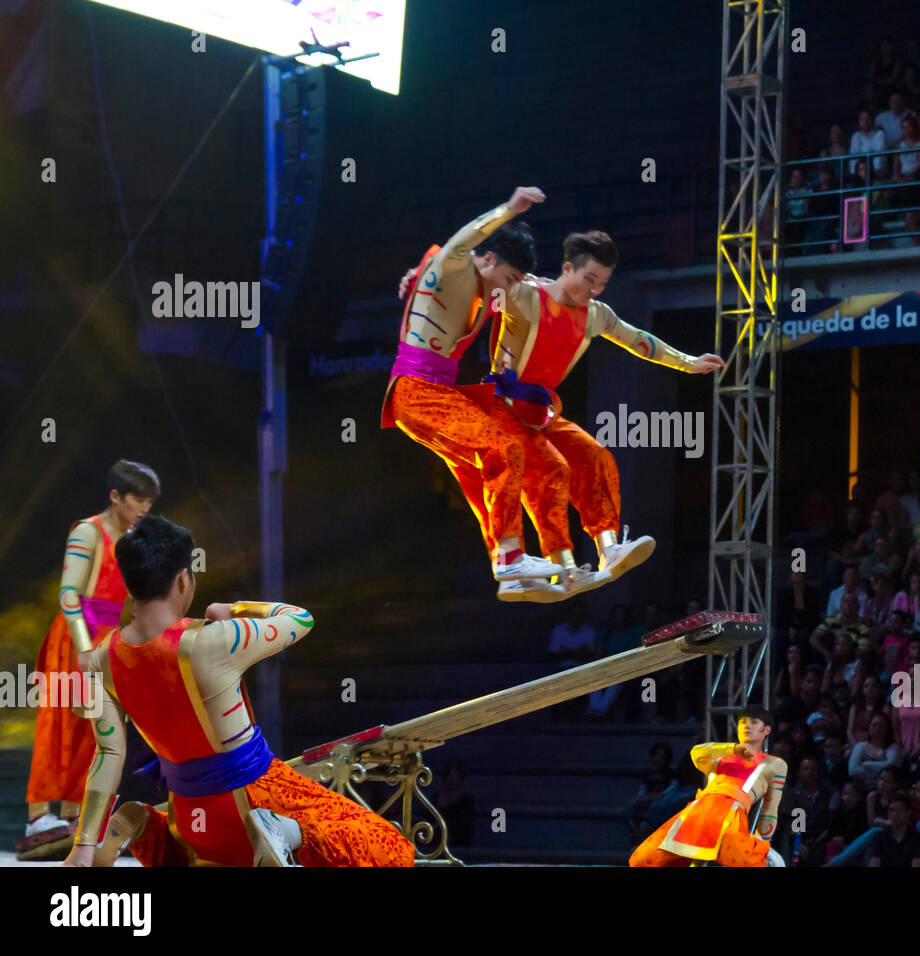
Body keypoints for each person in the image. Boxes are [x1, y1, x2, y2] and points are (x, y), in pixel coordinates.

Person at [62, 514, 413, 866]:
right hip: (254, 800)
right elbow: (301, 618)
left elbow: (108, 756)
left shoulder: (103, 658)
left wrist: (83, 846)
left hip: (188, 817)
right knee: (392, 848)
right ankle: (286, 833)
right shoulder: (214, 640)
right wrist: (235, 609)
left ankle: (145, 826)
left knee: (192, 860)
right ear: (183, 580)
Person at [491, 231, 724, 587]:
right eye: (589, 280)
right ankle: (560, 568)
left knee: (594, 456)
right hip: (502, 411)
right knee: (549, 475)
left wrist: (688, 363)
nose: (595, 290)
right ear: (567, 267)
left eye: (602, 283)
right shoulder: (523, 294)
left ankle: (608, 548)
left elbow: (639, 341)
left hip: (541, 415)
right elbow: (480, 285)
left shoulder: (595, 315)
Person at [385, 189, 579, 602]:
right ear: (489, 259)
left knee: (477, 474)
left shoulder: (489, 288)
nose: (510, 287)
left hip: (435, 394)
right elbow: (460, 242)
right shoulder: (453, 267)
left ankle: (506, 567)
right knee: (505, 447)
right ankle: (512, 561)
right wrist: (509, 210)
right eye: (509, 277)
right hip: (416, 390)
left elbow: (538, 288)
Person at [18, 460, 158, 861]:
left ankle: (76, 816)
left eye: (149, 501)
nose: (144, 507)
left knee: (98, 732)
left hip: (107, 640)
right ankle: (38, 817)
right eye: (137, 499)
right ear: (115, 497)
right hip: (75, 636)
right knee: (58, 726)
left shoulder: (133, 536)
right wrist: (82, 647)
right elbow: (68, 595)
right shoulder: (87, 532)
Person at [629, 708, 787, 866]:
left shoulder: (774, 763)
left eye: (754, 722)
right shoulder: (721, 755)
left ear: (766, 730)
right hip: (698, 814)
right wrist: (732, 748)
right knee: (641, 859)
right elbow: (696, 753)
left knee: (756, 863)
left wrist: (763, 843)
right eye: (742, 722)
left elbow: (770, 809)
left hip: (731, 817)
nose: (747, 726)